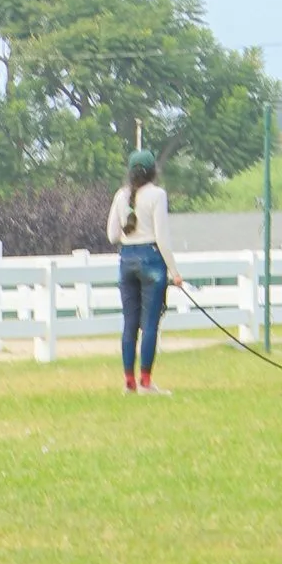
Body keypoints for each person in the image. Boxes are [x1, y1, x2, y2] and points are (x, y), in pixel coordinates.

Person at [108, 154, 171, 390]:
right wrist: (174, 271)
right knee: (150, 324)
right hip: (151, 258)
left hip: (126, 258)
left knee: (129, 323)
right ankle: (146, 380)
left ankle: (129, 381)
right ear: (153, 171)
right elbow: (162, 237)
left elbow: (113, 236)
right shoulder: (157, 195)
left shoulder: (121, 195)